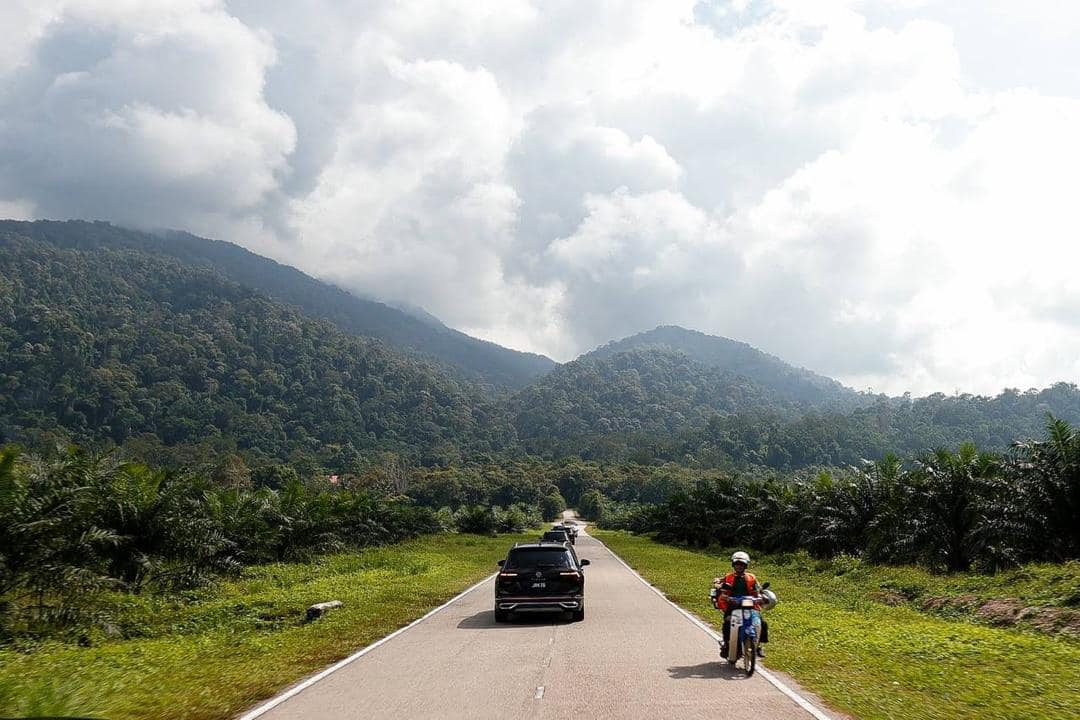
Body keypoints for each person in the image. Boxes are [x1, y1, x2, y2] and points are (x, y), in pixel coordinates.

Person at [713, 551, 768, 658]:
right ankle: (726, 644)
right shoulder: (728, 576)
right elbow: (719, 582)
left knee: (762, 622)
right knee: (727, 622)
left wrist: (762, 597)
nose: (739, 566)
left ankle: (758, 646)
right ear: (733, 565)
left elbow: (758, 589)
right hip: (733, 603)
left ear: (745, 566)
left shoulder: (751, 577)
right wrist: (717, 582)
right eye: (737, 564)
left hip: (749, 602)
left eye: (741, 564)